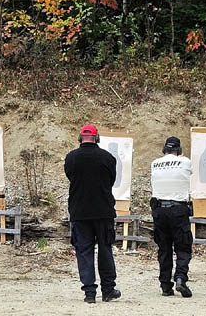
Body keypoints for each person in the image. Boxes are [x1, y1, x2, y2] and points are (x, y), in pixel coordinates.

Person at [64, 124, 121, 304]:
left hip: (79, 212)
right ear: (97, 139)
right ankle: (108, 290)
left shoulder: (71, 158)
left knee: (84, 251)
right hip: (103, 211)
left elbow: (70, 176)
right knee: (105, 249)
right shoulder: (108, 158)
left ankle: (89, 293)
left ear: (80, 138)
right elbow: (111, 180)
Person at [149, 136, 193, 298]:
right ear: (179, 150)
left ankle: (165, 285)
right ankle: (180, 278)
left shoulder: (155, 163)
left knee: (164, 249)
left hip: (159, 210)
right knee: (183, 247)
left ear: (164, 150)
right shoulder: (186, 162)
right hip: (178, 210)